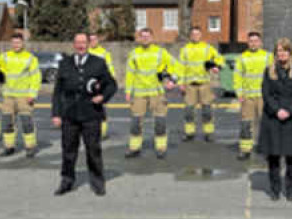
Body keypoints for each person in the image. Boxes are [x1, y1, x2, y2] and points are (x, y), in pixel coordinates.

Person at [52, 33, 117, 196]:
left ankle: (97, 182)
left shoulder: (99, 63)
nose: (81, 45)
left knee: (93, 150)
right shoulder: (64, 63)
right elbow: (58, 91)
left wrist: (103, 97)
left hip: (91, 113)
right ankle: (67, 181)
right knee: (68, 150)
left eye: (84, 42)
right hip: (69, 114)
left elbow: (111, 84)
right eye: (77, 42)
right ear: (73, 44)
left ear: (89, 44)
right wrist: (56, 114)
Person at [258, 38, 292, 202]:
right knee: (273, 157)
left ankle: (291, 189)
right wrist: (277, 110)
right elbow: (266, 94)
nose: (281, 54)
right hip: (273, 118)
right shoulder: (268, 71)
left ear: (290, 53)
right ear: (275, 54)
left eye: (284, 51)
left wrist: (289, 110)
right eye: (278, 51)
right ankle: (274, 189)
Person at [125, 28, 183, 159]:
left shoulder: (160, 52)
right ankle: (134, 148)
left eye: (148, 36)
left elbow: (178, 67)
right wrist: (128, 91)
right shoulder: (134, 54)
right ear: (139, 38)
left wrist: (173, 81)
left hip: (157, 93)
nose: (145, 38)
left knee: (160, 122)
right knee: (135, 122)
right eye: (142, 36)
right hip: (139, 94)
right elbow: (130, 74)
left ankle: (161, 148)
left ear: (152, 38)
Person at [0, 34, 41, 158]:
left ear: (23, 43)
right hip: (8, 96)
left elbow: (36, 78)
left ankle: (30, 147)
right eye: (14, 42)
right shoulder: (4, 57)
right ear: (11, 43)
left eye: (18, 42)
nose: (16, 45)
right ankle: (9, 147)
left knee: (26, 122)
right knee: (7, 123)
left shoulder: (30, 58)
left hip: (24, 97)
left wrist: (32, 94)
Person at [179, 27, 225, 142]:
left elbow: (220, 59)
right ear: (190, 36)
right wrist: (181, 83)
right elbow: (180, 68)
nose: (195, 36)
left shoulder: (207, 48)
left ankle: (208, 133)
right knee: (189, 111)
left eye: (197, 34)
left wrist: (216, 67)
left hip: (205, 84)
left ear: (201, 35)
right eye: (193, 34)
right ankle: (189, 133)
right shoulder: (185, 49)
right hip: (190, 85)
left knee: (207, 110)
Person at [234, 32, 272, 160]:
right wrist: (239, 93)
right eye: (251, 41)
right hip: (247, 97)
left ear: (260, 42)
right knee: (246, 124)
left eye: (256, 41)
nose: (253, 43)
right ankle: (245, 150)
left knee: (266, 124)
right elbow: (237, 76)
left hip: (264, 96)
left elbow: (274, 75)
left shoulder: (268, 57)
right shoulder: (242, 57)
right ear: (248, 42)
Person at [88, 34, 115, 139]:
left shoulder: (104, 53)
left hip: (100, 84)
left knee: (99, 108)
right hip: (87, 85)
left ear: (98, 40)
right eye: (90, 39)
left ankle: (102, 132)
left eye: (94, 39)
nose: (93, 41)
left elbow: (110, 68)